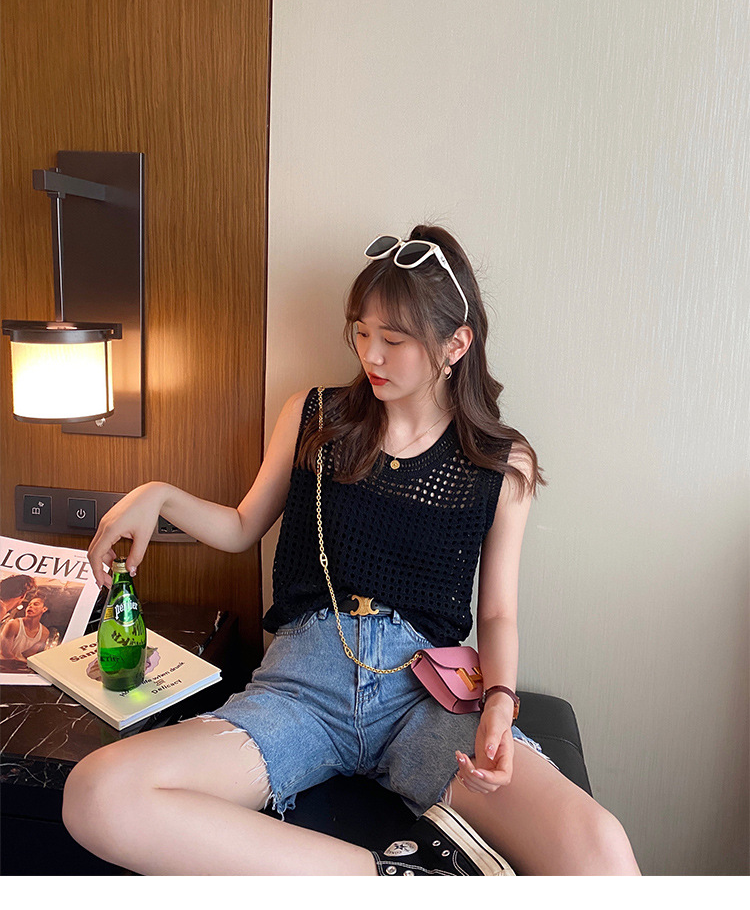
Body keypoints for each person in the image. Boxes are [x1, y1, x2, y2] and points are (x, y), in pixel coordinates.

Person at [62, 225, 640, 876]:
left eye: (394, 340)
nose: (371, 354)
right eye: (361, 332)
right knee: (98, 793)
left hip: (424, 699)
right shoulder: (313, 416)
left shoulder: (501, 464)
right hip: (300, 690)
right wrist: (158, 494)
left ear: (456, 344)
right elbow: (243, 525)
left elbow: (499, 612)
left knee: (600, 851)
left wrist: (500, 702)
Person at [0, 594, 50, 660]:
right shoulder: (13, 625)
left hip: (20, 665)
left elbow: (29, 655)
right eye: (29, 604)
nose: (30, 606)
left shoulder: (44, 633)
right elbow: (5, 653)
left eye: (36, 604)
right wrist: (22, 663)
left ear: (44, 609)